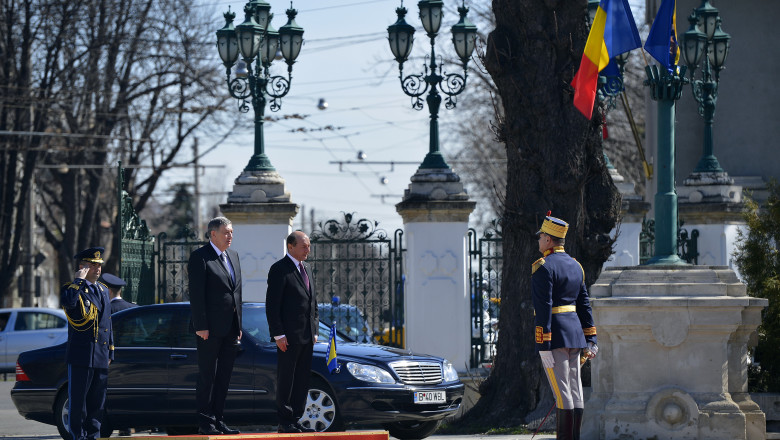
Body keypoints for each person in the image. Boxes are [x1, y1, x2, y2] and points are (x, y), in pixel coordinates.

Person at [532, 213, 598, 440]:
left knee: (562, 394)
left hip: (555, 337)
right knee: (575, 390)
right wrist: (591, 339)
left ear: (549, 239)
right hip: (575, 335)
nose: (539, 240)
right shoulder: (575, 266)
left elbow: (544, 308)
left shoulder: (543, 266)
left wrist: (543, 344)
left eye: (541, 237)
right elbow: (584, 305)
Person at [188, 217, 242, 435]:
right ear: (213, 234)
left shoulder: (234, 256)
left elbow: (236, 293)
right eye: (226, 232)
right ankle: (206, 422)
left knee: (224, 377)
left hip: (230, 329)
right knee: (207, 376)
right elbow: (197, 295)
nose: (230, 236)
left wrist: (239, 324)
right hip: (208, 329)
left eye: (231, 232)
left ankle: (219, 420)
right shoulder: (200, 257)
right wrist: (201, 325)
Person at [266, 231, 319, 433]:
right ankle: (285, 421)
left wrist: (314, 328)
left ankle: (297, 419)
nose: (308, 250)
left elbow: (313, 302)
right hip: (288, 337)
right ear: (291, 246)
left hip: (307, 336)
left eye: (308, 246)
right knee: (287, 379)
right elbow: (272, 305)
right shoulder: (280, 269)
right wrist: (278, 334)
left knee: (302, 380)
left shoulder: (307, 268)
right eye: (304, 246)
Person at [60, 247, 114, 440]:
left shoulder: (103, 290)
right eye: (93, 265)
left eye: (99, 265)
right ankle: (78, 436)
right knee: (79, 403)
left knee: (97, 403)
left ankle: (93, 436)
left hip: (100, 354)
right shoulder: (72, 289)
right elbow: (70, 304)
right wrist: (78, 280)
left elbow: (107, 322)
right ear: (82, 267)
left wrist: (110, 352)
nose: (97, 269)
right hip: (82, 355)